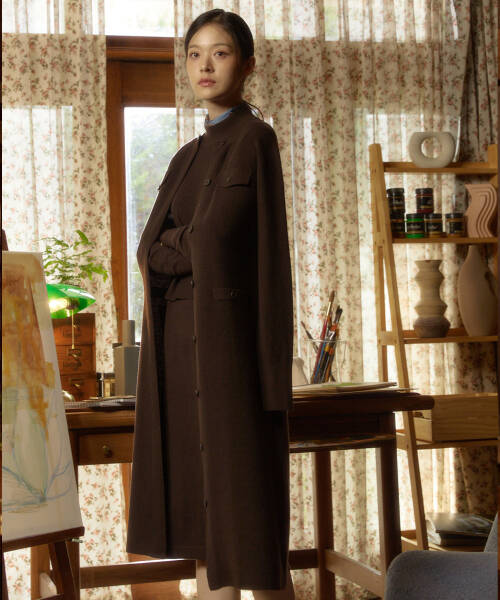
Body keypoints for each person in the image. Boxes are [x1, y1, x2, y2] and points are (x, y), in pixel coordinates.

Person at [126, 8, 295, 600]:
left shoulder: (255, 140)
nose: (205, 65)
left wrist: (178, 244)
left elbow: (215, 241)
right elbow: (147, 250)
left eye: (220, 53)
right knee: (203, 529)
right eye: (195, 54)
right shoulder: (185, 157)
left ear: (247, 65)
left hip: (230, 355)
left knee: (249, 526)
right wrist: (181, 244)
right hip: (177, 356)